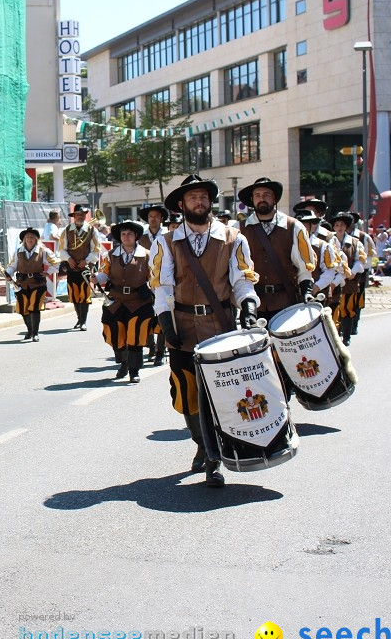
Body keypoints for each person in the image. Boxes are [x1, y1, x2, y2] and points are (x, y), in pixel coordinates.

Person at [150, 175, 259, 488]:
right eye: (192, 198)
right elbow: (163, 285)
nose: (199, 202)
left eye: (203, 196)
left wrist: (248, 305)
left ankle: (215, 459)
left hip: (219, 326)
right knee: (186, 395)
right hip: (182, 327)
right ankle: (201, 442)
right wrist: (166, 322)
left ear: (210, 201)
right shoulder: (166, 241)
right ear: (182, 205)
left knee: (219, 394)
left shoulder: (233, 238)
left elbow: (242, 279)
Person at [237, 178, 316, 322]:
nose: (262, 199)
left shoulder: (294, 227)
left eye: (266, 194)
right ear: (252, 199)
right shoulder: (238, 229)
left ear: (274, 198)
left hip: (286, 302)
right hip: (254, 305)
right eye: (257, 195)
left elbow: (304, 268)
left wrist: (307, 291)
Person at [96, 220, 155, 382]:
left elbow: (154, 277)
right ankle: (124, 362)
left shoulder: (147, 255)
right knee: (115, 334)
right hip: (116, 300)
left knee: (136, 335)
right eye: (123, 234)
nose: (126, 236)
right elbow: (104, 274)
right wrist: (96, 278)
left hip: (139, 302)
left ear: (136, 236)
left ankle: (134, 371)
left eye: (130, 233)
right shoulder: (110, 255)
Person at [5, 226, 57, 342]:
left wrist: (47, 273)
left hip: (37, 284)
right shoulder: (19, 251)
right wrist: (8, 273)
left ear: (36, 239)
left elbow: (56, 264)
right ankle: (29, 330)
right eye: (27, 237)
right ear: (24, 239)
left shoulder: (43, 251)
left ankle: (35, 333)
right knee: (23, 309)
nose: (29, 238)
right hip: (22, 284)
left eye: (32, 237)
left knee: (34, 308)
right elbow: (13, 266)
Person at [57, 203, 101, 331]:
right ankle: (78, 319)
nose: (80, 216)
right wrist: (69, 259)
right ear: (74, 216)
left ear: (85, 216)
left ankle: (83, 321)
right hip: (71, 266)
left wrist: (86, 261)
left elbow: (96, 250)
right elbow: (61, 249)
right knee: (74, 294)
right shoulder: (66, 230)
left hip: (85, 267)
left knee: (84, 294)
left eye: (82, 214)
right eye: (78, 214)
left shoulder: (92, 231)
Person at [329, 212, 367, 346]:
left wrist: (352, 271)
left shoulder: (355, 243)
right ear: (333, 227)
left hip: (349, 281)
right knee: (334, 308)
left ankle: (346, 336)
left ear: (346, 227)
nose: (339, 227)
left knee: (347, 308)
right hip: (333, 282)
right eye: (337, 225)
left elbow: (360, 260)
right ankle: (335, 335)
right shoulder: (329, 241)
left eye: (342, 225)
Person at [138, 204, 169, 366]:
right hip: (145, 283)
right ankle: (150, 345)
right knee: (147, 317)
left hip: (164, 282)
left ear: (161, 219)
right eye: (150, 216)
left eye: (156, 216)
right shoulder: (140, 237)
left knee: (163, 316)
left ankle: (160, 351)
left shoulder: (169, 236)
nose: (153, 219)